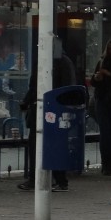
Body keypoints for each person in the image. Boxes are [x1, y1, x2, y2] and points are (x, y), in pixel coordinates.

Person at [18, 38, 77, 191]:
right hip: (56, 110)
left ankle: (37, 179)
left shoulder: (47, 63)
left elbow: (34, 86)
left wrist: (26, 102)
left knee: (37, 145)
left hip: (45, 108)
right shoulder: (66, 62)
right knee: (55, 145)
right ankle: (59, 179)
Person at [91, 37, 111, 176]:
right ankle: (107, 164)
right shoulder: (102, 61)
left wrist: (106, 74)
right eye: (110, 49)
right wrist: (97, 78)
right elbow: (94, 82)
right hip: (103, 99)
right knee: (106, 133)